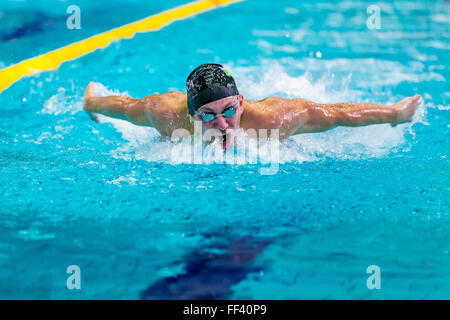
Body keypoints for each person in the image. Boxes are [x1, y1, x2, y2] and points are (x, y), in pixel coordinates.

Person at [83, 63, 422, 150]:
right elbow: (125, 107)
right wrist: (92, 104)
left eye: (230, 110)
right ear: (191, 115)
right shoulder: (165, 114)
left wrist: (394, 114)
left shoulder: (276, 120)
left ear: (241, 103)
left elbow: (336, 115)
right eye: (208, 116)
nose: (223, 124)